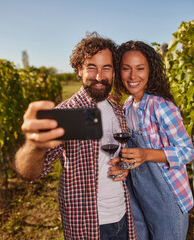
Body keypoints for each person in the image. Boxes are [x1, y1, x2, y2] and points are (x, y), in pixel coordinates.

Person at [14, 33, 137, 240]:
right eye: (91, 67)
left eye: (106, 67)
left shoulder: (118, 111)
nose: (99, 76)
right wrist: (34, 146)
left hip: (123, 217)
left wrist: (124, 166)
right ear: (79, 70)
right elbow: (29, 174)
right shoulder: (65, 114)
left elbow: (119, 159)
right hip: (86, 225)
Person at [113, 40, 194, 240]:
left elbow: (187, 151)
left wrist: (146, 154)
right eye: (126, 69)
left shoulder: (160, 106)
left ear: (151, 71)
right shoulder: (127, 106)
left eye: (140, 68)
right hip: (139, 196)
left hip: (166, 197)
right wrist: (125, 164)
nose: (133, 76)